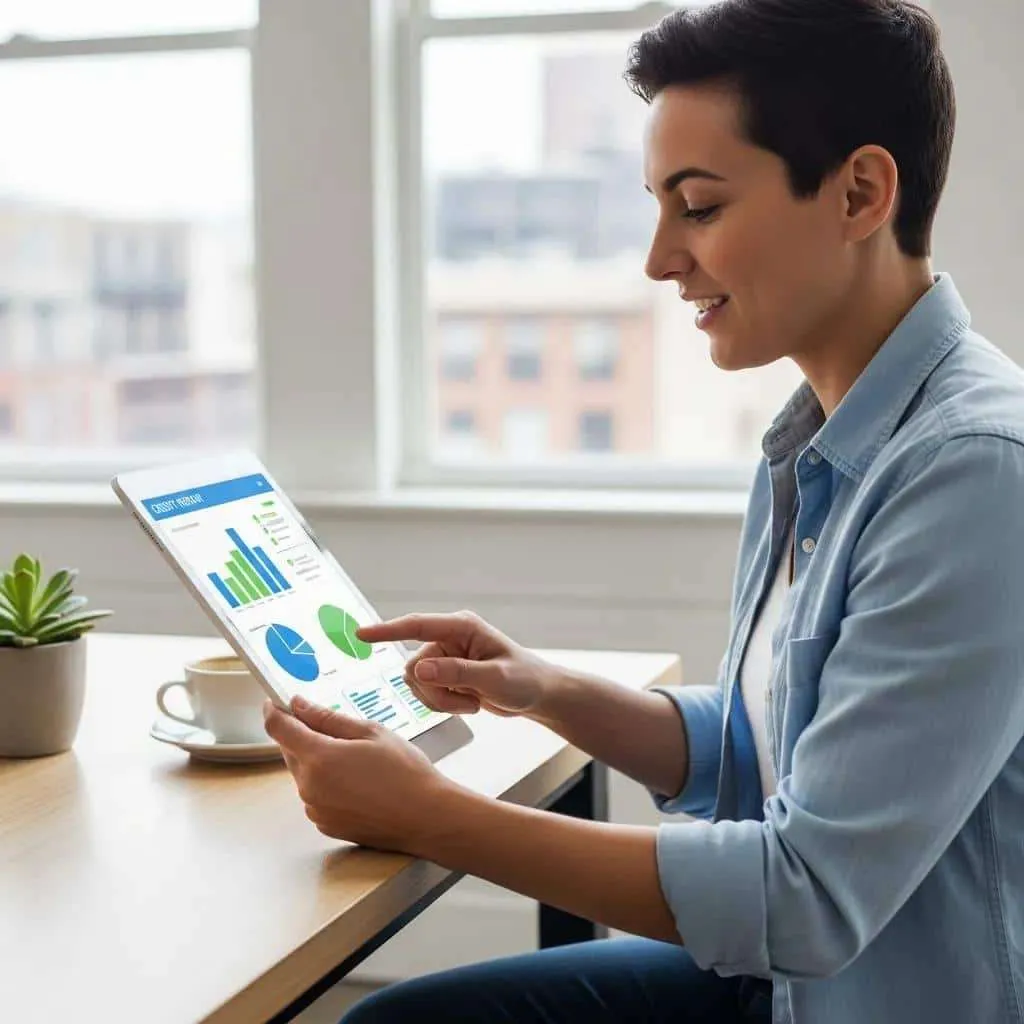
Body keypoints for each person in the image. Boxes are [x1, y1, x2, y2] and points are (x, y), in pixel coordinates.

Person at [263, 1, 1024, 1020]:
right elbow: (770, 750)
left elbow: (805, 897)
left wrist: (437, 816)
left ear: (858, 191)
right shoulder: (821, 439)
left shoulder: (971, 474)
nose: (660, 258)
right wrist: (544, 687)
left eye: (699, 207)